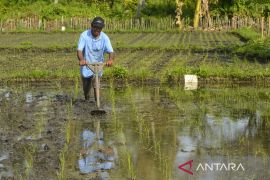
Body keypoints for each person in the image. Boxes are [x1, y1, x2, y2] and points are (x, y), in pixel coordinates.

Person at [77, 17, 114, 101]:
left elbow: (111, 51)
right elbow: (79, 50)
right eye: (95, 27)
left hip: (98, 65)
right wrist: (82, 60)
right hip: (87, 65)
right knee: (86, 86)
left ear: (101, 28)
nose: (97, 29)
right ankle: (87, 100)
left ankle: (97, 104)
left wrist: (110, 60)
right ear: (91, 26)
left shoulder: (105, 38)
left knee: (96, 84)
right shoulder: (84, 35)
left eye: (99, 28)